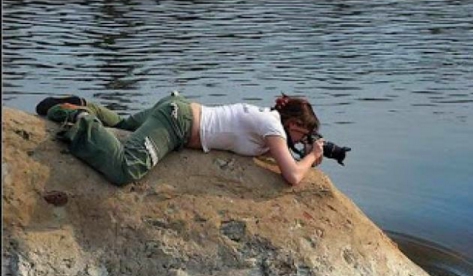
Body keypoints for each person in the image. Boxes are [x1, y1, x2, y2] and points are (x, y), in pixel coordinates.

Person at [36, 92, 324, 186]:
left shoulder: (268, 124)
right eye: (304, 133)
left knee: (124, 126)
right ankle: (79, 120)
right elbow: (292, 176)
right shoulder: (272, 126)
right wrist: (312, 156)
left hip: (178, 110)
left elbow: (283, 159)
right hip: (177, 124)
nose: (303, 140)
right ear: (294, 123)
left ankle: (86, 105)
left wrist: (305, 153)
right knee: (126, 168)